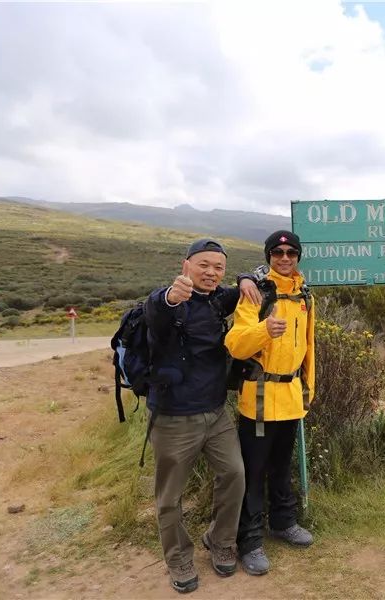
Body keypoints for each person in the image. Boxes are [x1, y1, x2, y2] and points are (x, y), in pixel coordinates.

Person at [145, 238, 258, 594]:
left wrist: (243, 278)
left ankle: (220, 539)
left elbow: (242, 287)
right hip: (174, 418)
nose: (211, 272)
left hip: (215, 413)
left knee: (235, 474)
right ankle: (178, 556)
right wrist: (170, 297)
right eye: (203, 265)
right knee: (169, 497)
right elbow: (156, 310)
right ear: (186, 266)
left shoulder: (215, 301)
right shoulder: (168, 300)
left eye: (218, 267)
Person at [226, 229, 316, 577]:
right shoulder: (255, 292)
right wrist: (265, 330)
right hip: (259, 402)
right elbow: (235, 344)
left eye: (291, 253)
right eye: (277, 254)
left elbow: (310, 347)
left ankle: (283, 522)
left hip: (291, 398)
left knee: (281, 467)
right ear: (268, 257)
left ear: (297, 258)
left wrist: (309, 388)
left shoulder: (305, 296)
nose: (284, 258)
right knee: (253, 472)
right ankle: (248, 541)